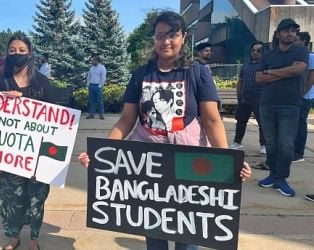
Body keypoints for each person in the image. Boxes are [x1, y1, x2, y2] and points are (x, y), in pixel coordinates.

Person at [79, 11, 251, 250]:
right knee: (154, 233)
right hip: (149, 167)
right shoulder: (141, 74)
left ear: (183, 37)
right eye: (160, 36)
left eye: (172, 35)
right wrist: (103, 154)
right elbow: (126, 120)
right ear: (154, 39)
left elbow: (212, 120)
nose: (166, 41)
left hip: (189, 163)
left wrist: (227, 162)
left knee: (190, 233)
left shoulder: (198, 72)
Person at [0, 34, 54, 250]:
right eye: (12, 51)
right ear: (6, 54)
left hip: (37, 155)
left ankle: (34, 240)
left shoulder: (43, 83)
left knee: (37, 198)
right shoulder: (1, 83)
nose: (17, 54)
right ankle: (14, 237)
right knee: (11, 198)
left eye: (21, 50)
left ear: (29, 53)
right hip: (8, 154)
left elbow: (54, 121)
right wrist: (3, 102)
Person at [255, 18, 308, 197]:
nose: (291, 34)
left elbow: (298, 70)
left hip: (290, 104)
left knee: (286, 144)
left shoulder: (300, 50)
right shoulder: (268, 55)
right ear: (278, 34)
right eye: (286, 31)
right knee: (271, 142)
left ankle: (281, 178)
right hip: (267, 103)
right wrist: (285, 72)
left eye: (294, 31)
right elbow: (258, 78)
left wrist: (270, 72)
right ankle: (272, 175)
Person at [229, 41, 266, 154]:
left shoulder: (265, 65)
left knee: (262, 123)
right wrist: (239, 96)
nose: (255, 53)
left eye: (259, 50)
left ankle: (264, 145)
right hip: (245, 98)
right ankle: (237, 142)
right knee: (241, 121)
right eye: (253, 50)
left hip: (260, 98)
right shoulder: (245, 66)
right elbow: (240, 81)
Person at [293, 31, 314, 163]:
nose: (294, 41)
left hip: (304, 97)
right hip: (296, 95)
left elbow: (311, 79)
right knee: (294, 124)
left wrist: (301, 95)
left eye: (297, 39)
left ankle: (298, 153)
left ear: (304, 41)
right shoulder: (297, 56)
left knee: (300, 124)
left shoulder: (310, 57)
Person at [86, 55, 106, 120]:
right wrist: (88, 84)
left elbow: (103, 77)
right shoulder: (91, 68)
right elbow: (89, 76)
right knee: (91, 101)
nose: (92, 61)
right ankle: (91, 114)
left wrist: (100, 85)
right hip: (91, 86)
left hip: (98, 86)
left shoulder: (102, 68)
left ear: (97, 61)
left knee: (99, 101)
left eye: (93, 60)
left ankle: (101, 115)